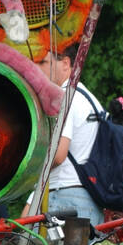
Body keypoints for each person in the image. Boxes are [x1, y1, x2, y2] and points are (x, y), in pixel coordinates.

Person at [36, 44, 106, 226]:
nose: (36, 68)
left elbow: (58, 155)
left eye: (43, 62)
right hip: (89, 197)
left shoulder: (65, 97)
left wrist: (26, 169)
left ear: (65, 63)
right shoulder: (88, 98)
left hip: (65, 198)